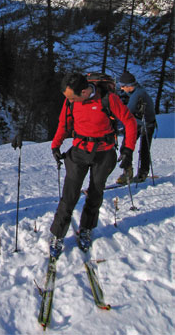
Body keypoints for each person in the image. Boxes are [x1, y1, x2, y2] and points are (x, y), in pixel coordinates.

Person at [49, 72, 137, 258]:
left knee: (96, 192)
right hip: (79, 152)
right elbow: (64, 124)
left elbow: (129, 121)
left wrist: (128, 149)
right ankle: (57, 234)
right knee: (69, 195)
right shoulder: (70, 101)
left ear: (83, 92)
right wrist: (55, 145)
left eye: (71, 97)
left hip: (104, 153)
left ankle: (86, 228)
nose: (68, 100)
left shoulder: (108, 99)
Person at [116, 71, 156, 184]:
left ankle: (141, 173)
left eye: (123, 86)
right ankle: (128, 171)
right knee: (127, 145)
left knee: (143, 148)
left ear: (130, 85)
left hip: (147, 124)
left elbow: (127, 113)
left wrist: (117, 124)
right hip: (139, 121)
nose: (122, 88)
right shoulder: (134, 91)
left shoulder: (138, 94)